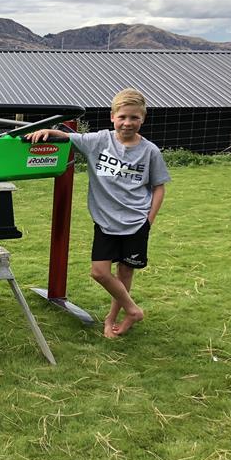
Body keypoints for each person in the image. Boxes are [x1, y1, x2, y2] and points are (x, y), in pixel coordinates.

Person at [26, 88, 170, 338]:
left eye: (134, 118)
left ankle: (113, 319)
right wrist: (47, 132)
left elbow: (158, 187)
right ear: (112, 117)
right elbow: (69, 137)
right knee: (99, 272)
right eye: (123, 117)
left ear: (142, 119)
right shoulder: (99, 141)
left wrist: (149, 220)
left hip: (136, 223)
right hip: (105, 223)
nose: (128, 123)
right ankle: (133, 310)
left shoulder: (150, 152)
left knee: (124, 274)